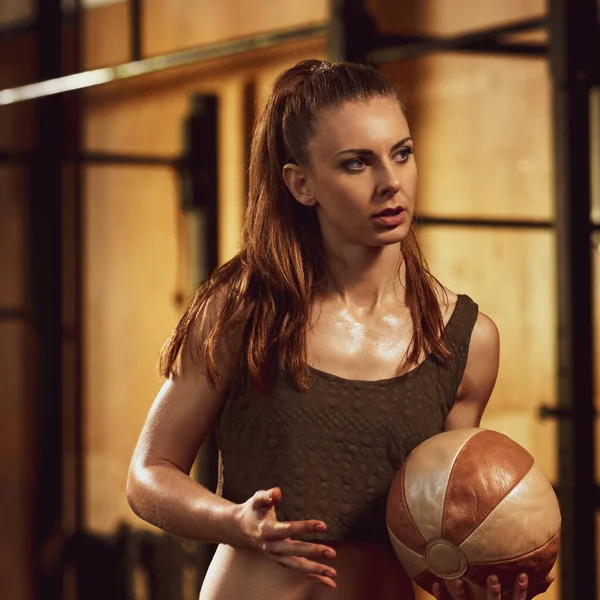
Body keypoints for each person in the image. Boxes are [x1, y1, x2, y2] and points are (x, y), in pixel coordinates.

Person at [126, 59, 555, 600]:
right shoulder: (244, 311)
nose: (390, 182)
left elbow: (445, 526)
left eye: (402, 153)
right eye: (357, 163)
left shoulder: (462, 341)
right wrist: (233, 522)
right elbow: (149, 473)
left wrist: (475, 579)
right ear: (301, 184)